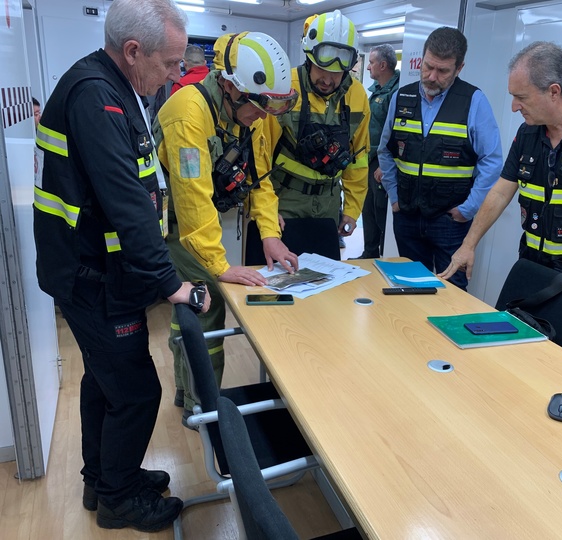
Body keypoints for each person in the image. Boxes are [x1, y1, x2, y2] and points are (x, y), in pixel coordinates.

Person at [32, 0, 206, 532]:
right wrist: (171, 282)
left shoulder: (117, 87)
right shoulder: (96, 97)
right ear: (133, 52)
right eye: (172, 63)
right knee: (136, 391)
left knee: (104, 384)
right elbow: (126, 202)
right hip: (93, 278)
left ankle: (102, 478)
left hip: (97, 271)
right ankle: (118, 499)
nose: (178, 74)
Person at [439, 41, 562, 350]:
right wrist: (468, 244)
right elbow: (501, 191)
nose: (514, 107)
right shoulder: (528, 133)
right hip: (534, 263)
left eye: (520, 97)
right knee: (513, 342)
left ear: (554, 91)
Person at [154, 32, 299, 425]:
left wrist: (271, 235)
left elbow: (261, 179)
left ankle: (190, 393)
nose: (263, 117)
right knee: (205, 302)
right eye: (257, 107)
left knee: (200, 306)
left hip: (199, 220)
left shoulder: (251, 114)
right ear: (230, 86)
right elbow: (192, 199)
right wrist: (219, 267)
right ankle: (203, 408)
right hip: (175, 225)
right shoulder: (188, 112)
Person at [377, 27, 503, 290]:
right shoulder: (402, 96)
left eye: (443, 71)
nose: (432, 77)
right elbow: (386, 151)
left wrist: (467, 209)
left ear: (459, 68)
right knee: (410, 289)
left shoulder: (474, 101)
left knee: (453, 293)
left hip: (450, 221)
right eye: (428, 67)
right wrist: (394, 196)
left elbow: (491, 162)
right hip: (407, 216)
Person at [244, 10, 370, 261]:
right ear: (309, 58)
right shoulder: (283, 88)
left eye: (337, 74)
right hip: (283, 203)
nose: (328, 80)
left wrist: (352, 209)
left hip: (328, 207)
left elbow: (358, 159)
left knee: (325, 287)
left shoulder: (356, 96)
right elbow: (258, 159)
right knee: (276, 287)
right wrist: (265, 214)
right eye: (321, 69)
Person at [355, 43, 400, 259]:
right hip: (368, 157)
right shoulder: (376, 91)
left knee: (380, 209)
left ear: (383, 65)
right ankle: (369, 253)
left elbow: (395, 132)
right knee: (368, 209)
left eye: (371, 63)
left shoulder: (395, 92)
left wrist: (385, 165)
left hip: (382, 162)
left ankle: (383, 255)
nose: (369, 67)